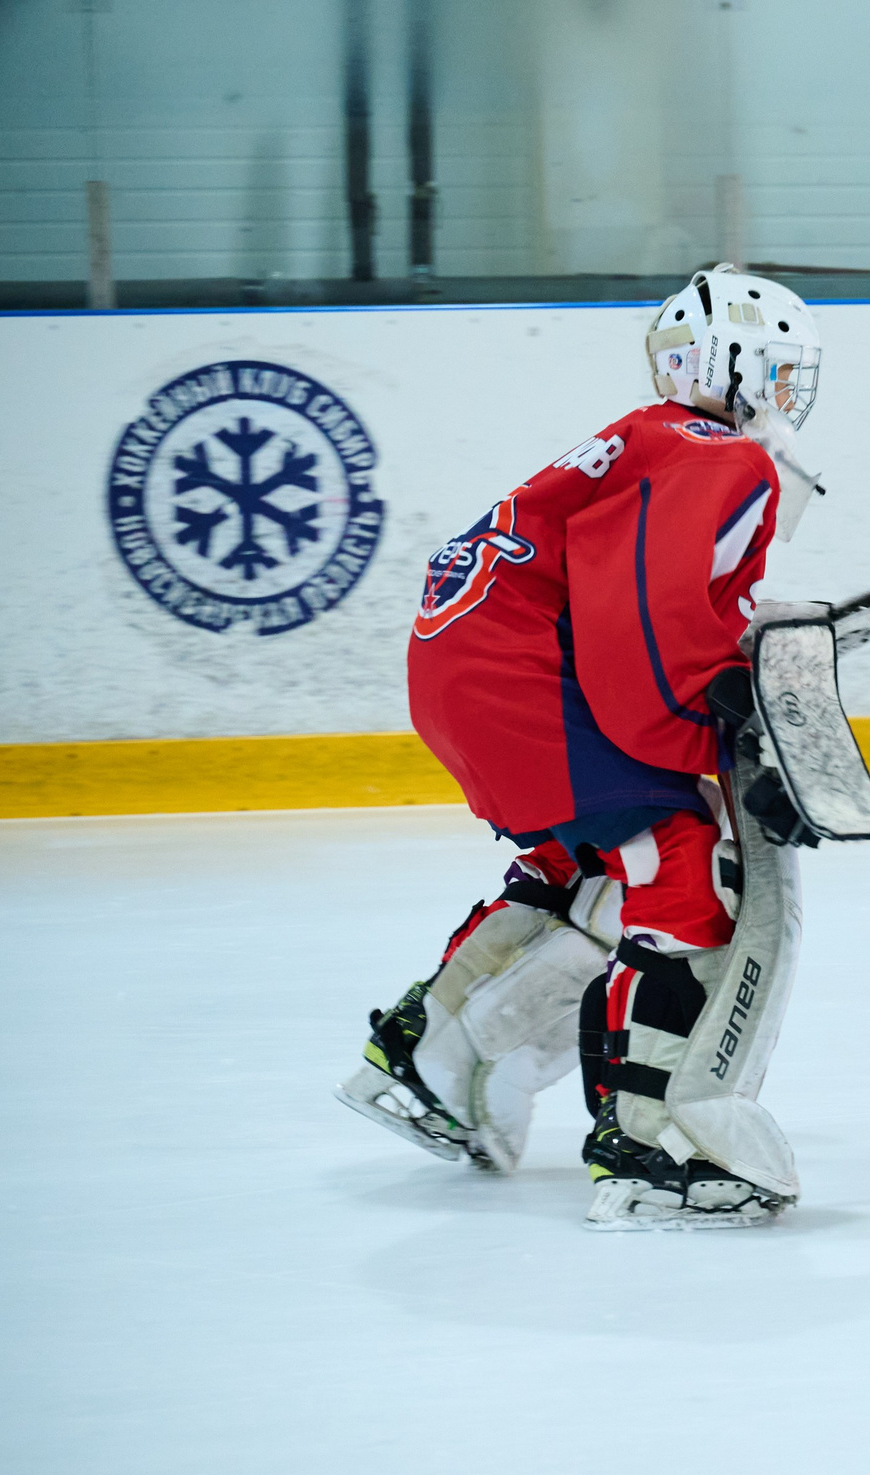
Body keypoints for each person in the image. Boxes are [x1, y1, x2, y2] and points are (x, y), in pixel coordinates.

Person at [337, 264, 828, 1229]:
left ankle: (440, 1059)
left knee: (588, 865)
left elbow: (630, 600)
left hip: (465, 670)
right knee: (683, 865)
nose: (784, 400)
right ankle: (660, 1141)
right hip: (524, 680)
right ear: (727, 367)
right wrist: (717, 735)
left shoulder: (643, 441)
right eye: (775, 374)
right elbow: (646, 620)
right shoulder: (712, 453)